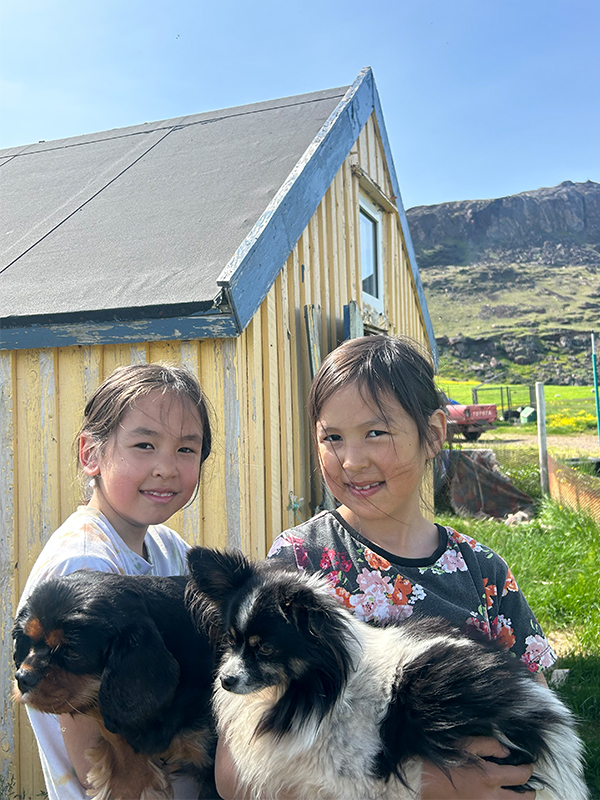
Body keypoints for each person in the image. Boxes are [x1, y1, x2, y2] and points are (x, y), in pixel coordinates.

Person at [216, 335, 556, 800]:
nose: (352, 461)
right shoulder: (297, 565)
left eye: (376, 433)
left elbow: (542, 725)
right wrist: (424, 783)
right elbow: (236, 775)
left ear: (433, 433)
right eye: (332, 437)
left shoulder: (483, 573)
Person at [18, 362, 213, 800]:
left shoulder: (167, 547)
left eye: (187, 449)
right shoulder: (83, 564)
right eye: (144, 444)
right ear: (91, 454)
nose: (166, 467)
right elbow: (98, 761)